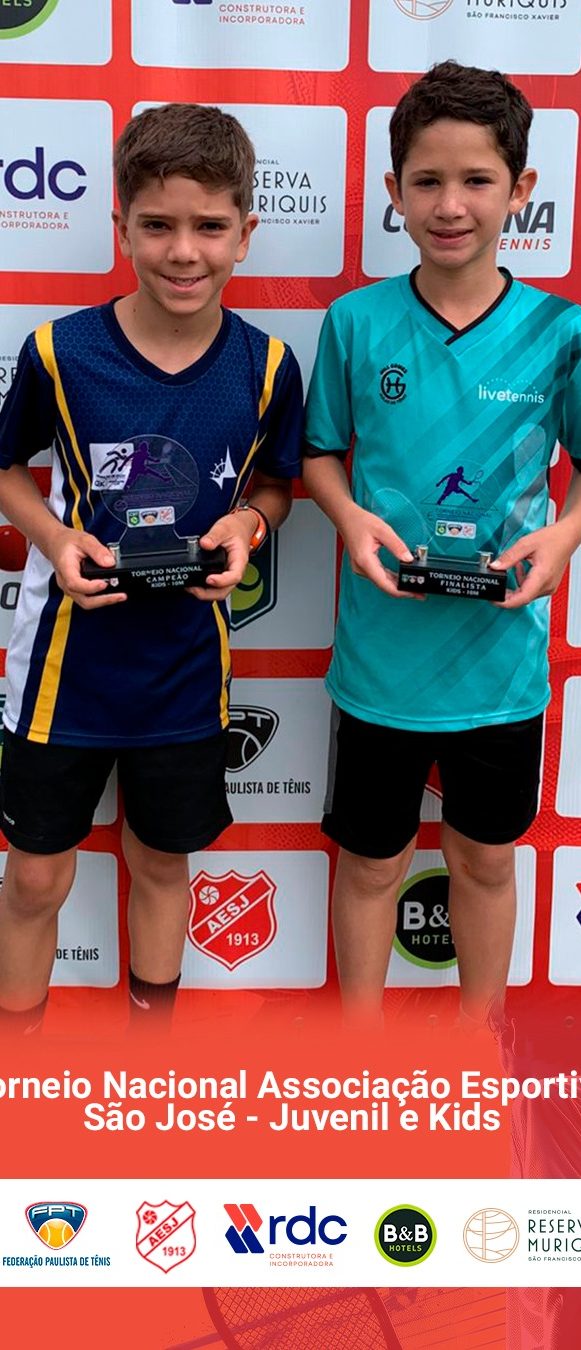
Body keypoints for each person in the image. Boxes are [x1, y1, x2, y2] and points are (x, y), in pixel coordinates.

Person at [0, 102, 302, 1033]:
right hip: (65, 668)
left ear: (245, 234)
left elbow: (276, 486)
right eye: (158, 225)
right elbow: (7, 471)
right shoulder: (59, 351)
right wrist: (55, 540)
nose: (183, 251)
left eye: (209, 227)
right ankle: (19, 1062)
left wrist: (248, 523)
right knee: (36, 877)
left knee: (163, 863)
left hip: (184, 669)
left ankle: (149, 1057)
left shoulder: (266, 366)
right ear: (121, 225)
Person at [303, 60, 581, 1029]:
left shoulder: (559, 331)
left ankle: (473, 1046)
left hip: (498, 665)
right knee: (370, 862)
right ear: (392, 190)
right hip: (379, 663)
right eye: (426, 180)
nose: (449, 204)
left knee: (484, 860)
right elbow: (320, 455)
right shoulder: (355, 322)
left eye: (475, 180)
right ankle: (359, 1051)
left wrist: (563, 535)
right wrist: (348, 517)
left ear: (520, 189)